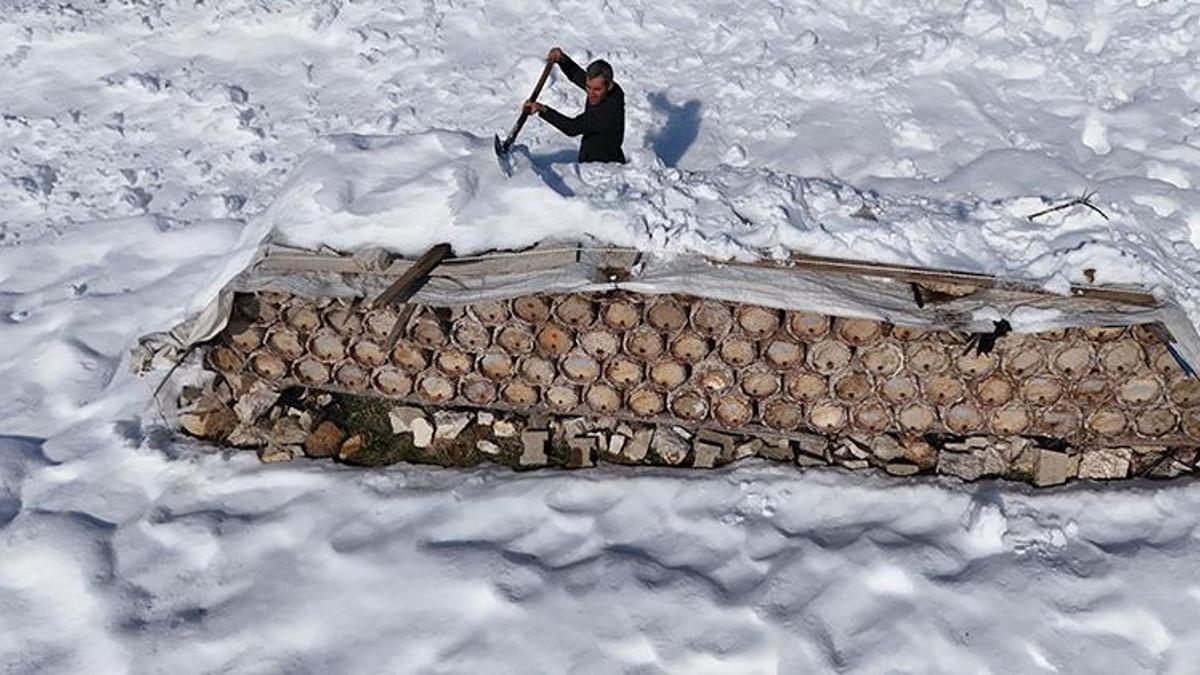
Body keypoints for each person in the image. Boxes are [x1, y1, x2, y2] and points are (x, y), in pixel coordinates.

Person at [523, 47, 626, 163]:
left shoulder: (605, 112)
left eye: (596, 89)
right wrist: (562, 59)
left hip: (602, 170)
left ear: (609, 86)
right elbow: (578, 76)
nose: (591, 93)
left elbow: (571, 128)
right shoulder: (608, 88)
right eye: (588, 87)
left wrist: (542, 109)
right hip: (595, 157)